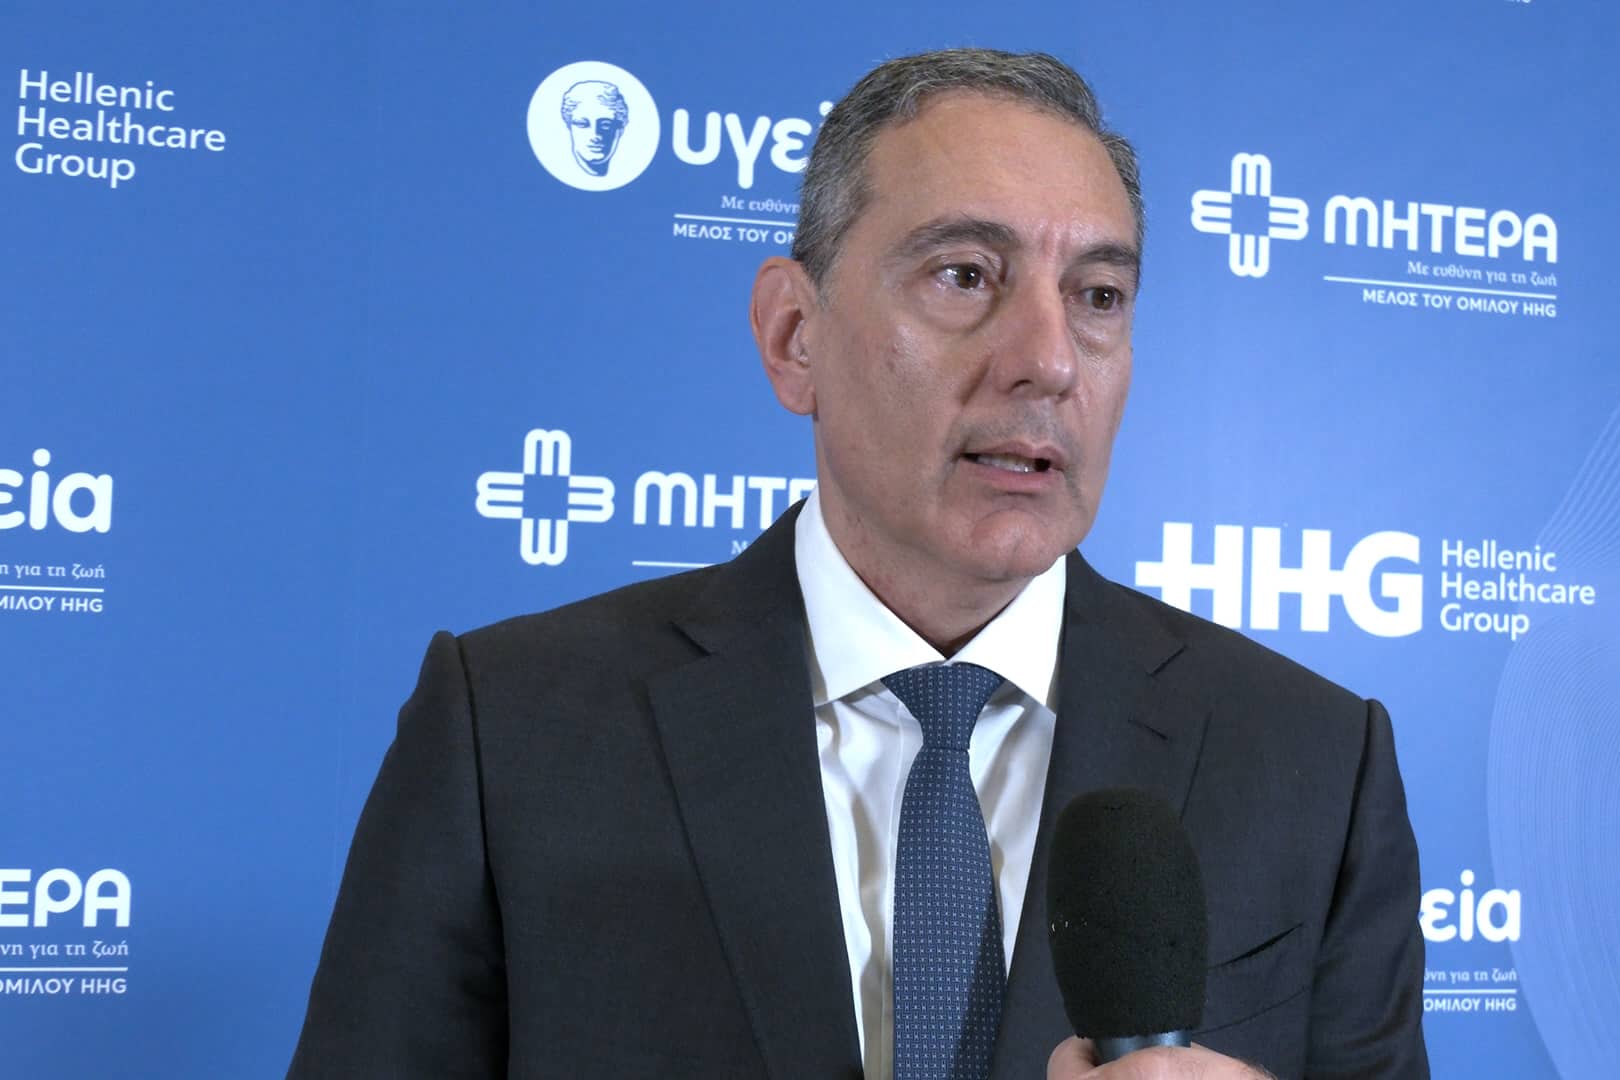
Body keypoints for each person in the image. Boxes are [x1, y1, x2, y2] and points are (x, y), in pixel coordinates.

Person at [289, 48, 1426, 1079]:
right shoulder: (510, 730)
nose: (1047, 360)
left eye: (1097, 296)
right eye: (966, 275)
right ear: (795, 337)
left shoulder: (1316, 763)